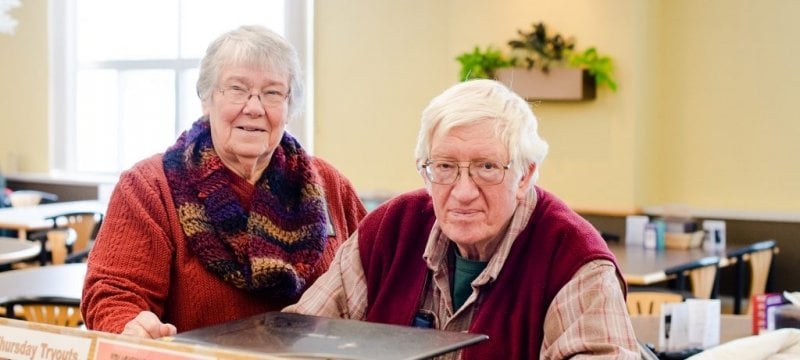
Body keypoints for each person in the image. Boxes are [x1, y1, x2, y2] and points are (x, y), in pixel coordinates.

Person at [285, 79, 639, 359]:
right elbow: (297, 338)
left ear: (525, 176)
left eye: (487, 167)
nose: (463, 191)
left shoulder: (573, 260)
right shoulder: (390, 231)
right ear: (426, 170)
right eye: (445, 167)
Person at [81, 25, 367, 339]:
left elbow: (376, 276)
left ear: (289, 107)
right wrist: (131, 326)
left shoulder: (330, 185)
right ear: (207, 100)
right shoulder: (148, 187)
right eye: (236, 89)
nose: (254, 107)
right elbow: (113, 295)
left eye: (272, 93)